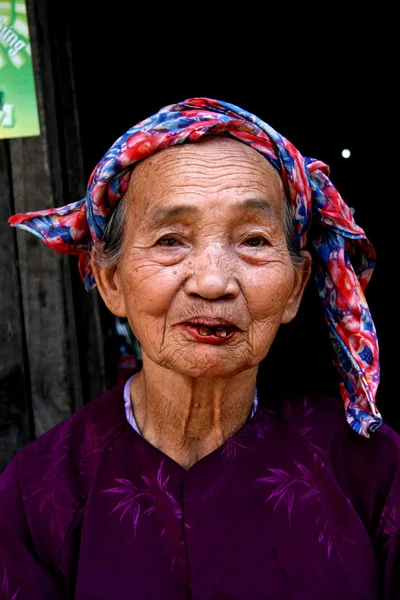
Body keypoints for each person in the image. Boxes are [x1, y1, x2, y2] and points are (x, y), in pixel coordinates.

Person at [1, 97, 399, 599]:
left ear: (296, 288)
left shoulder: (371, 470)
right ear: (110, 281)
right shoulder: (38, 493)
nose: (213, 282)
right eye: (171, 239)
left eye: (253, 240)